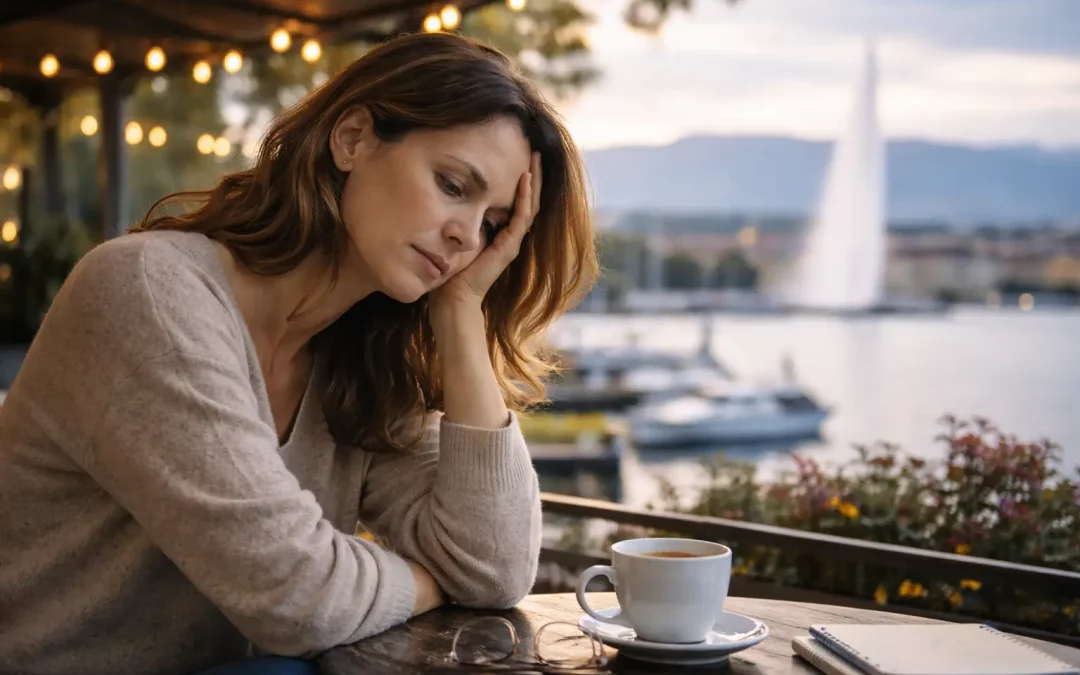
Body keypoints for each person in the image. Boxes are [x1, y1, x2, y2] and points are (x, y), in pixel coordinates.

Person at [0, 32, 597, 675]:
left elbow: (494, 569)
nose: (465, 235)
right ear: (353, 139)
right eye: (453, 185)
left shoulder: (361, 358)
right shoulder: (148, 292)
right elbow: (299, 600)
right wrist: (427, 581)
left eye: (491, 224)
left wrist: (460, 312)